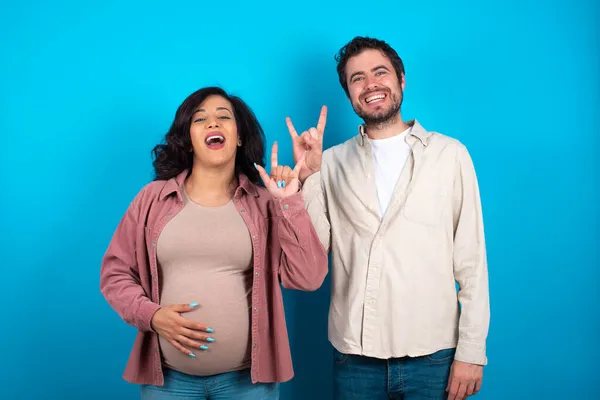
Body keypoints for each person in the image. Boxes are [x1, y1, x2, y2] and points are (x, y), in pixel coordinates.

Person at [286, 37, 491, 399]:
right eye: (357, 78)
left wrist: (472, 351)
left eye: (380, 73)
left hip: (434, 357)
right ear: (349, 93)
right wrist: (310, 177)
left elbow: (472, 263)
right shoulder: (330, 161)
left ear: (401, 79)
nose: (371, 85)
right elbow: (316, 254)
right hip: (355, 359)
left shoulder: (450, 155)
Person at [100, 86, 328, 399]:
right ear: (188, 140)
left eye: (224, 117)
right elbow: (115, 274)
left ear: (238, 137)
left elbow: (309, 277)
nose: (213, 124)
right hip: (169, 384)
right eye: (200, 119)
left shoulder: (265, 203)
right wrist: (151, 316)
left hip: (248, 384)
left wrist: (290, 202)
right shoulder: (152, 199)